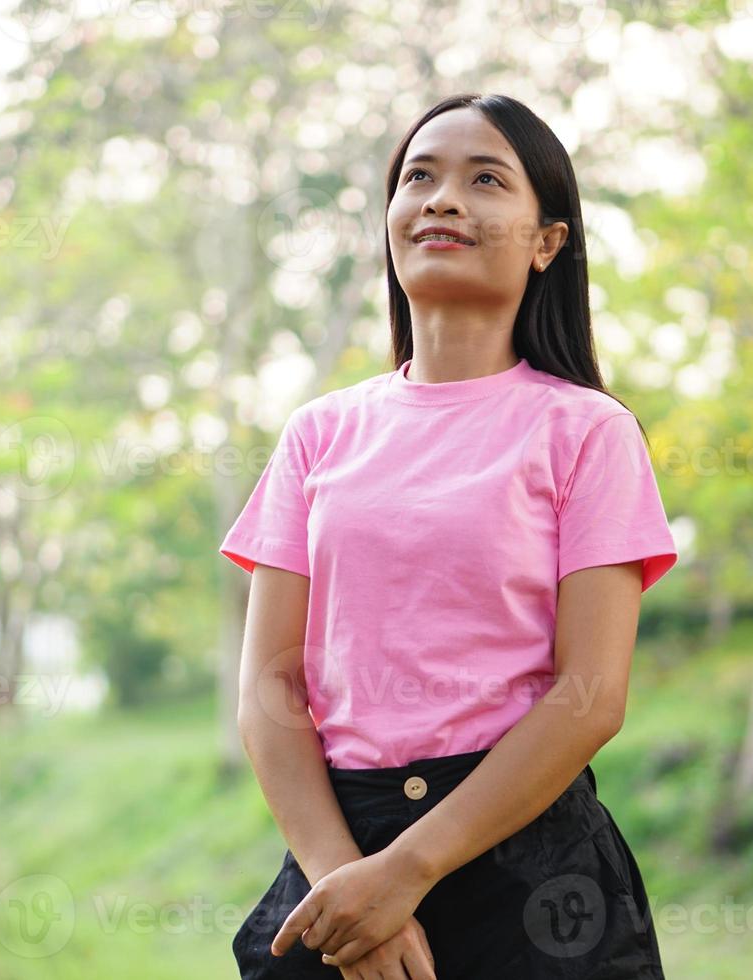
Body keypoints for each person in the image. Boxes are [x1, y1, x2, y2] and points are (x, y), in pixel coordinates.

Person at [220, 92, 678, 980]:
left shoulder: (587, 433)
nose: (441, 199)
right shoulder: (319, 434)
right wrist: (351, 886)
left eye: (485, 180)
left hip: (529, 876)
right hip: (339, 855)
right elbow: (271, 687)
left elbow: (591, 694)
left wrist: (410, 871)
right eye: (418, 177)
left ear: (548, 240)